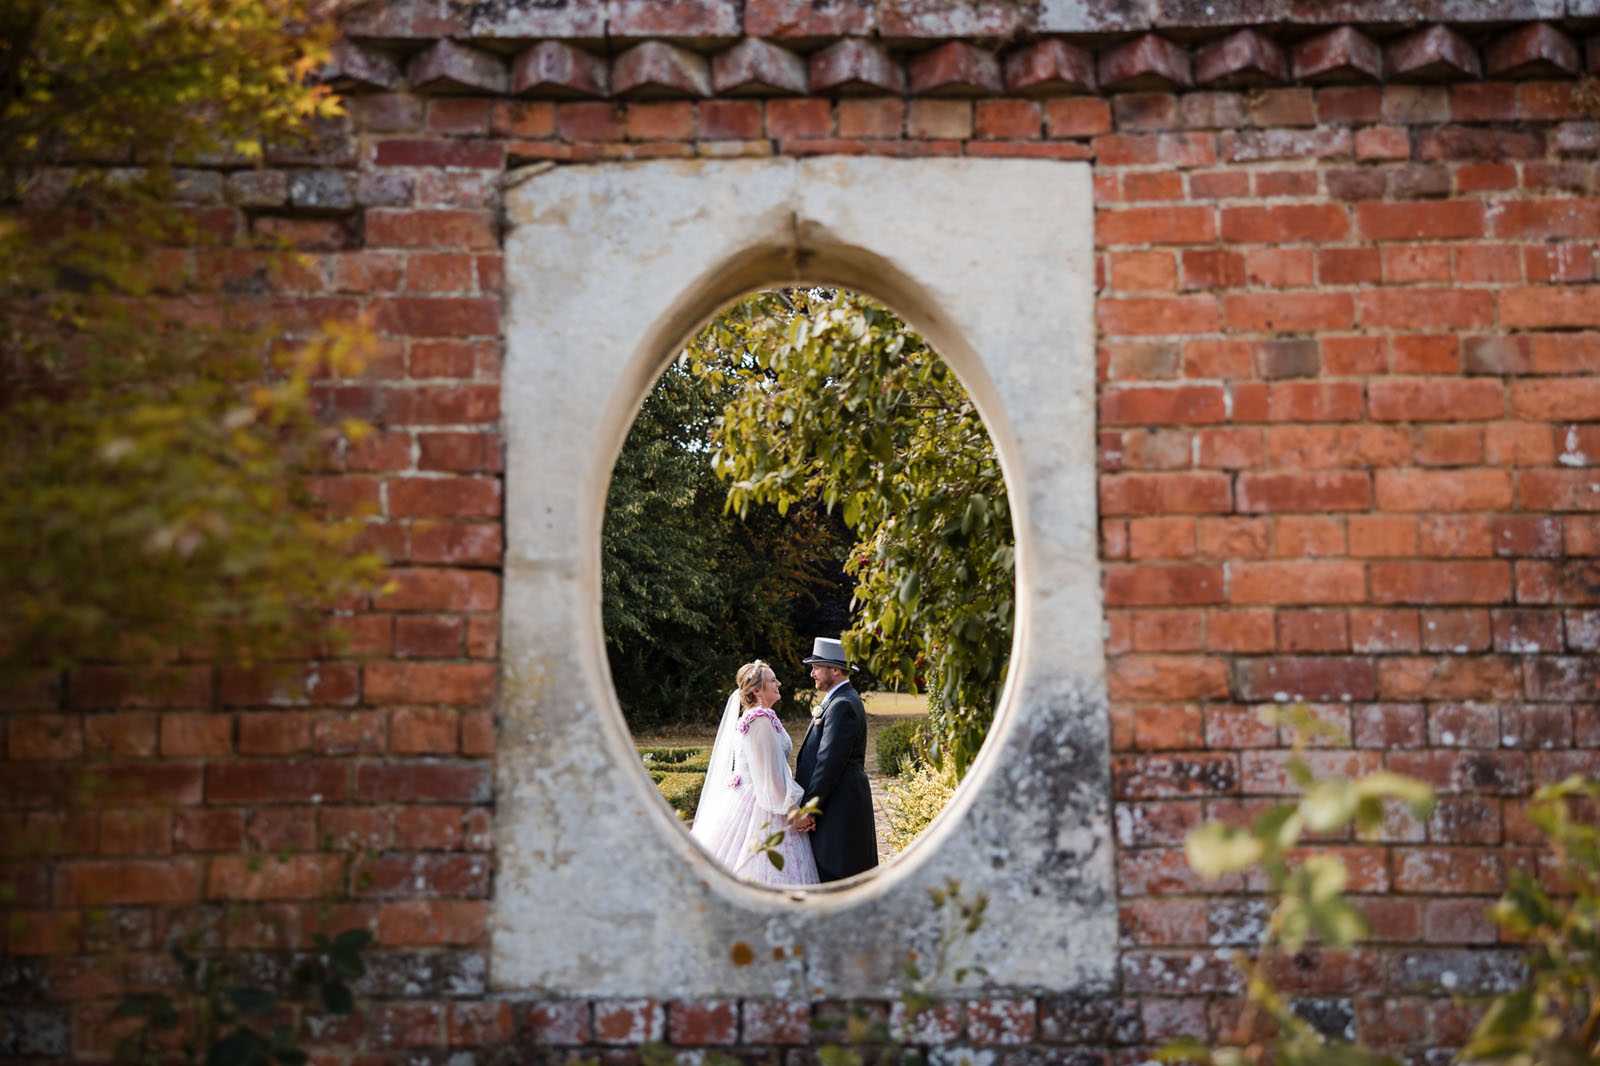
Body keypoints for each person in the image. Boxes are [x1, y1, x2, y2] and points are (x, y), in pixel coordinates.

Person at [690, 660, 819, 887]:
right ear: (756, 690)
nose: (778, 683)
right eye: (772, 680)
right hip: (762, 804)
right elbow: (768, 774)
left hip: (759, 795)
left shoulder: (761, 716)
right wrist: (793, 812)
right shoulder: (760, 719)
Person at [794, 637, 878, 882]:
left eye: (816, 667)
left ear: (835, 669)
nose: (812, 674)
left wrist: (809, 809)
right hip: (836, 802)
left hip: (839, 806)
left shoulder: (842, 704)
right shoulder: (838, 699)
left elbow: (828, 763)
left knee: (839, 874)